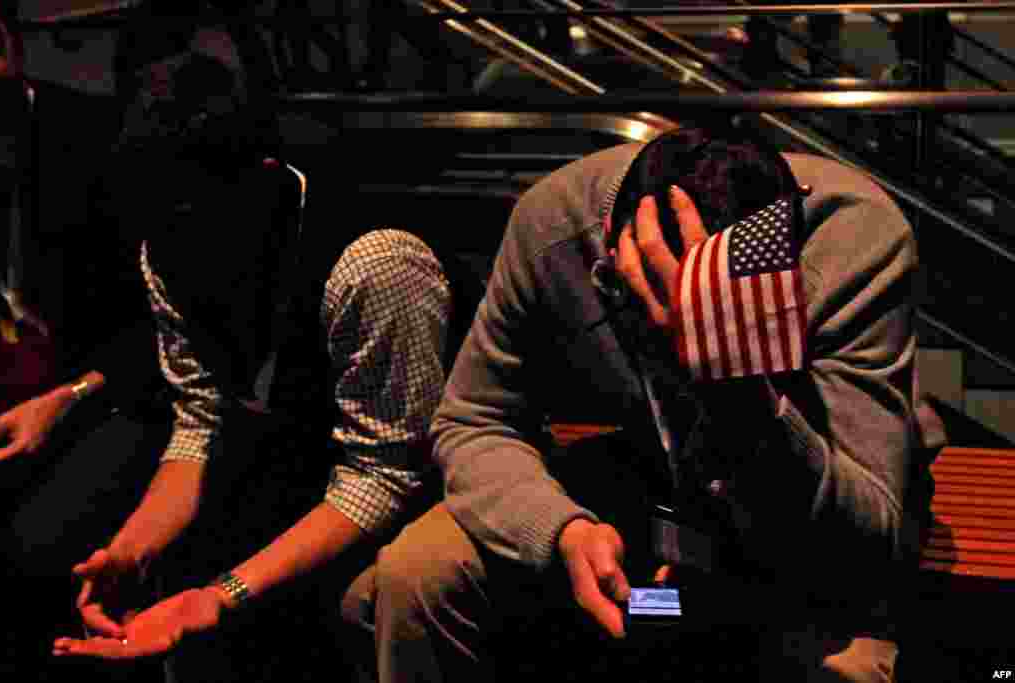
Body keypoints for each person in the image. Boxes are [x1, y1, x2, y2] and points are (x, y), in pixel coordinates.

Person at [340, 124, 919, 682]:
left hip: (794, 529)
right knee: (413, 576)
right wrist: (561, 532)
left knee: (848, 667)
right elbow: (475, 417)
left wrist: (736, 389)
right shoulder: (555, 226)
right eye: (635, 306)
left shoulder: (854, 241)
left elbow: (867, 544)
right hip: (642, 499)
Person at [48, 51, 452, 682]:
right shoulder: (168, 248)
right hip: (302, 460)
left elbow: (384, 474)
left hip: (433, 477)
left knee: (340, 605)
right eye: (156, 225)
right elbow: (199, 420)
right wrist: (130, 551)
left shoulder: (371, 262)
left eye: (189, 220)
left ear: (260, 180)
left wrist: (222, 596)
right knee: (155, 578)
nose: (170, 254)